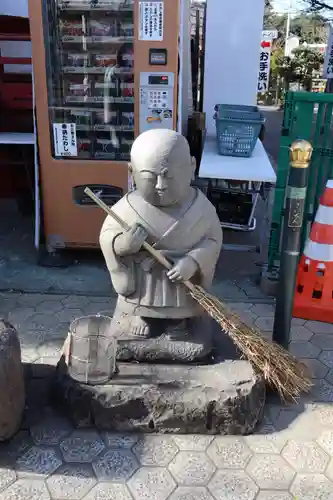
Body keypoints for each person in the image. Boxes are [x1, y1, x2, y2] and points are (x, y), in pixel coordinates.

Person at [100, 128, 222, 338]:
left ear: (192, 167)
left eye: (169, 177)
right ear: (132, 172)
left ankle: (179, 320)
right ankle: (140, 315)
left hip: (180, 277)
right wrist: (123, 244)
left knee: (181, 302)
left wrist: (193, 261)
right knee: (140, 300)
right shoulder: (128, 206)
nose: (160, 186)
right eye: (150, 178)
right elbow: (107, 237)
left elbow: (213, 240)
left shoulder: (200, 207)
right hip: (143, 279)